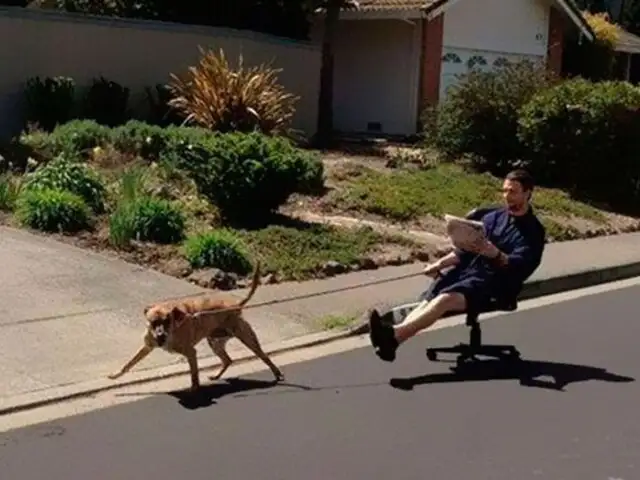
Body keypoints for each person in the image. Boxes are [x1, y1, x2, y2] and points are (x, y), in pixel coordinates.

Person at [368, 169, 546, 362]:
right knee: (431, 297)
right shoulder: (493, 217)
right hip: (468, 273)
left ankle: (393, 336)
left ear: (527, 193)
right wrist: (438, 264)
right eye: (504, 191)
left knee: (445, 299)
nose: (506, 197)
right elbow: (464, 251)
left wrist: (493, 252)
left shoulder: (533, 231)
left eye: (512, 192)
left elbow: (518, 266)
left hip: (497, 283)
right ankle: (394, 338)